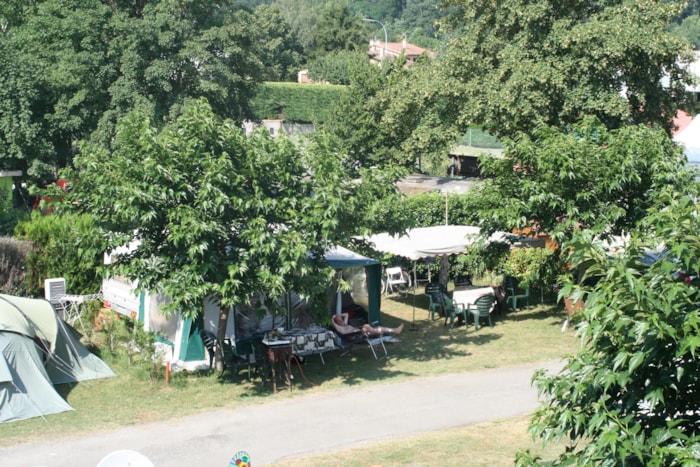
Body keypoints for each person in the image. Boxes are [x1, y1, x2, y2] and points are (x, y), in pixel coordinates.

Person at [331, 313, 404, 337]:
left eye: (341, 319)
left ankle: (395, 330)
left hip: (360, 332)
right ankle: (379, 333)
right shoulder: (340, 328)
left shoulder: (345, 324)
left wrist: (338, 315)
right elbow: (333, 323)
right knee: (366, 326)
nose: (342, 320)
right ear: (337, 323)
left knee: (379, 328)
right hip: (356, 335)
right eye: (340, 320)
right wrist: (333, 317)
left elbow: (346, 314)